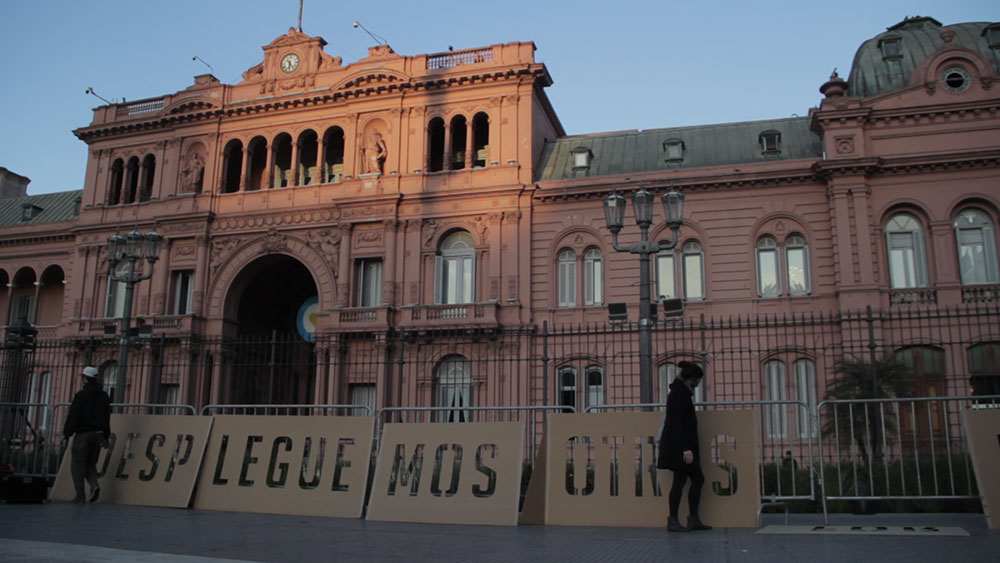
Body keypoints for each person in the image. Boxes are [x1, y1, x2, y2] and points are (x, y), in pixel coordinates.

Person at [657, 361, 712, 532]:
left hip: (681, 446)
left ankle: (688, 518)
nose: (698, 384)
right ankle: (677, 519)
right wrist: (685, 448)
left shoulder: (680, 392)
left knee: (689, 480)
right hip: (680, 448)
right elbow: (677, 423)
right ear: (692, 379)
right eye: (697, 380)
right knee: (683, 480)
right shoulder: (679, 394)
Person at [61, 366, 112, 504]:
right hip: (99, 435)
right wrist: (106, 436)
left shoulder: (81, 395)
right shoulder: (104, 396)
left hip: (83, 434)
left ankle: (80, 496)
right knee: (91, 464)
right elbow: (106, 417)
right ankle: (94, 484)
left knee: (78, 465)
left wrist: (66, 435)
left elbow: (74, 417)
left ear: (84, 377)